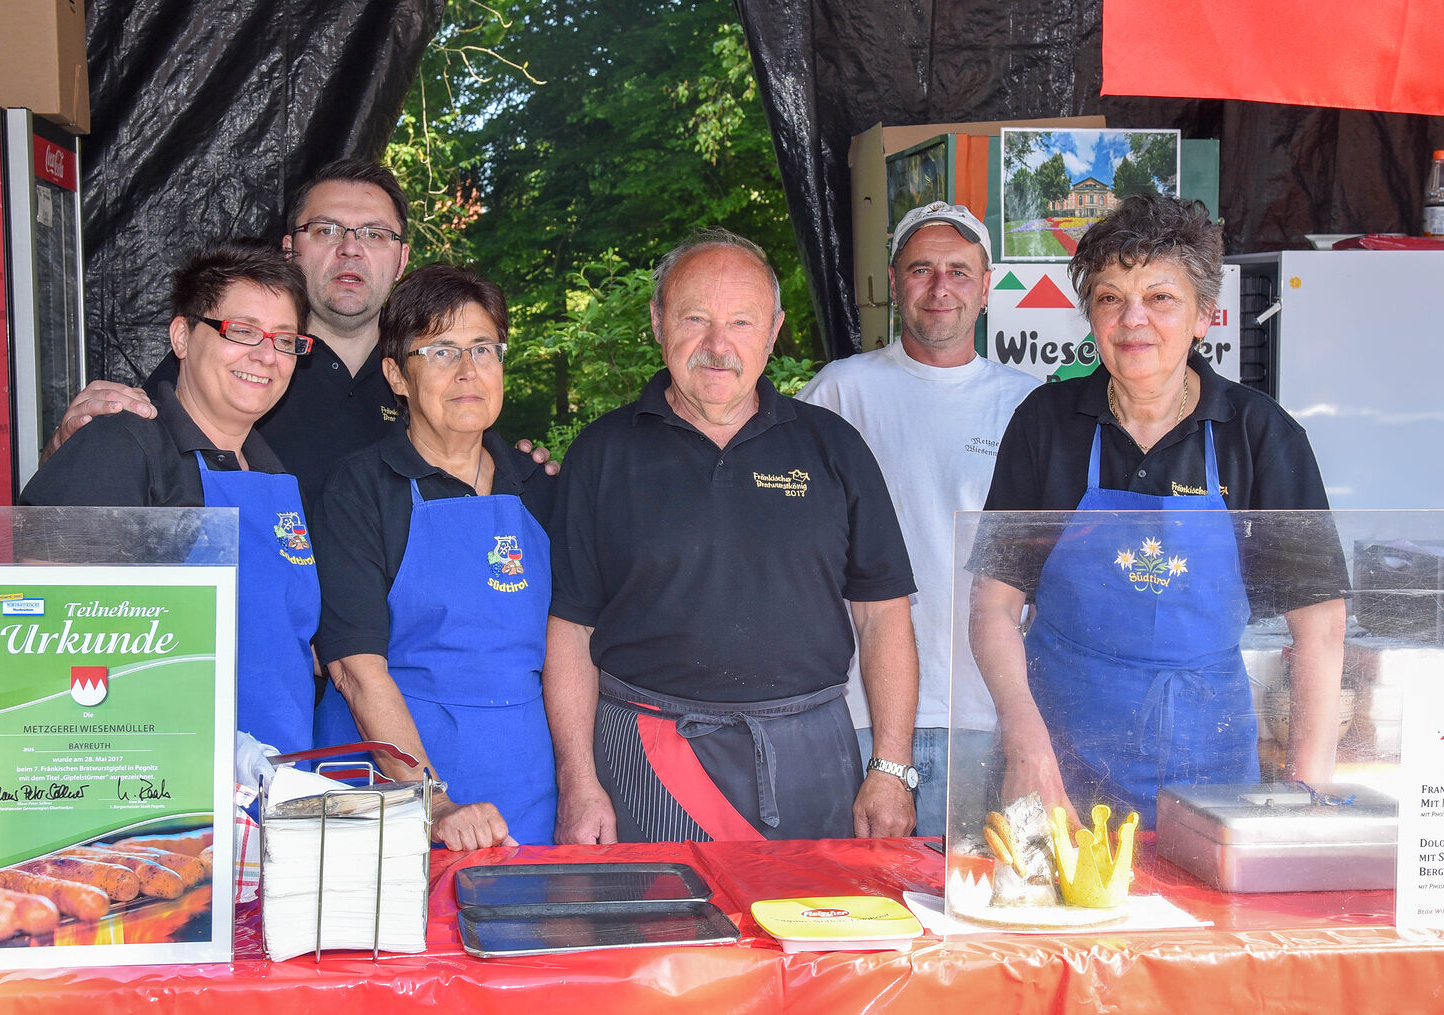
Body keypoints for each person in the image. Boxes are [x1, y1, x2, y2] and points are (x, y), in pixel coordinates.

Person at [968, 194, 1348, 828]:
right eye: (1110, 297)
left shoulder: (1258, 436)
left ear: (1205, 315)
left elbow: (1320, 629)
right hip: (1056, 761)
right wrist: (1026, 749)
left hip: (1208, 775)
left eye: (1160, 298)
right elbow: (993, 606)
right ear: (1090, 316)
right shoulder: (1047, 425)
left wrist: (1305, 797)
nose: (1132, 319)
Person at [545, 228, 920, 845]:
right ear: (659, 320)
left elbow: (883, 617)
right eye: (695, 318)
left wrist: (891, 769)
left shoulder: (834, 448)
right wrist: (579, 782)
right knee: (668, 941)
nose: (717, 346)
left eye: (741, 322)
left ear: (773, 331)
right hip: (649, 757)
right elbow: (572, 628)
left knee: (816, 937)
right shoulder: (601, 454)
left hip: (814, 759)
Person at [42, 159, 555, 508]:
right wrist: (67, 446)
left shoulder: (428, 371)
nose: (351, 249)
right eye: (327, 230)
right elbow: (92, 485)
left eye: (374, 234)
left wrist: (525, 469)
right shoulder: (234, 364)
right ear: (291, 248)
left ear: (401, 259)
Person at [21, 240, 319, 757]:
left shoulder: (278, 479)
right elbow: (42, 628)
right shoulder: (121, 445)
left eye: (286, 340)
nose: (266, 355)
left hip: (276, 787)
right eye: (242, 332)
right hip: (157, 790)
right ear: (182, 336)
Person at [796, 201, 1038, 837]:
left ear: (987, 288)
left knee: (978, 916)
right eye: (922, 268)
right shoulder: (839, 392)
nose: (940, 288)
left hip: (992, 715)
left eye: (960, 271)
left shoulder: (1029, 405)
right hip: (858, 714)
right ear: (893, 282)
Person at [311, 264, 557, 851]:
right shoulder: (361, 487)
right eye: (442, 351)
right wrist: (432, 798)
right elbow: (353, 666)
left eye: (483, 348)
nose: (468, 371)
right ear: (396, 374)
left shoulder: (539, 484)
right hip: (387, 788)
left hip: (524, 782)